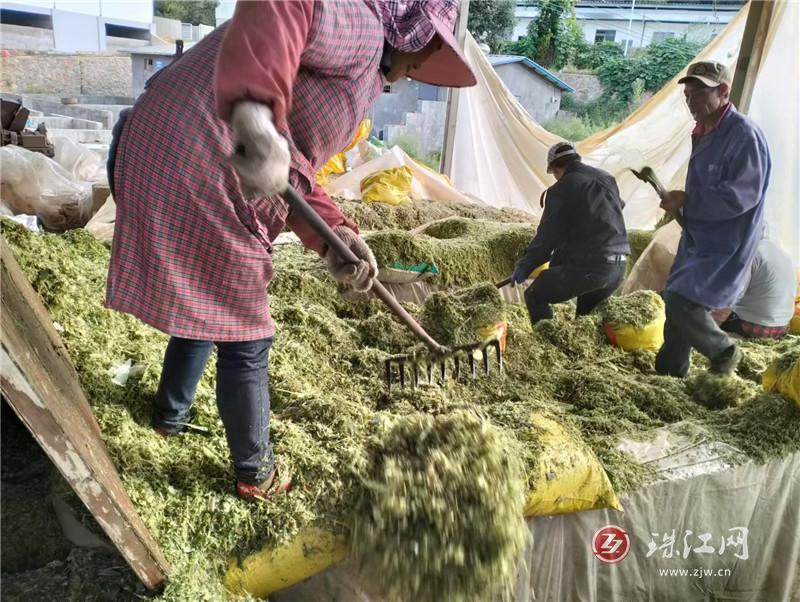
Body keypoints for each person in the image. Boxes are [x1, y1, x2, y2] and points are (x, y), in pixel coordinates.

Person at [105, 0, 476, 502]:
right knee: (246, 333)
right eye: (432, 41)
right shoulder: (362, 27)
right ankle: (255, 473)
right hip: (205, 151)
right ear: (412, 32)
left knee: (208, 300)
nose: (429, 57)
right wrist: (255, 113)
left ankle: (169, 417)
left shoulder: (365, 68)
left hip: (165, 139)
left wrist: (336, 238)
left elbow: (293, 169)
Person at [656, 61, 771, 378]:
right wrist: (683, 202)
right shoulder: (704, 133)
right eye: (688, 94)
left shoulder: (744, 136)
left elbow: (740, 196)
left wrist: (689, 200)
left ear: (723, 92)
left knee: (682, 300)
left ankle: (724, 350)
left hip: (725, 242)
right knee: (676, 306)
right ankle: (669, 377)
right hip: (699, 237)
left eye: (698, 93)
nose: (691, 100)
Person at [510, 142, 630, 325]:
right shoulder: (606, 178)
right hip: (618, 267)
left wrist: (525, 265)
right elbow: (616, 208)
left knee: (536, 294)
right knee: (585, 322)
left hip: (592, 267)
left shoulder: (563, 187)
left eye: (554, 174)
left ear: (556, 169)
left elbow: (547, 236)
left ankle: (547, 345)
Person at [712, 237, 795, 339]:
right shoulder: (781, 253)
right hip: (782, 327)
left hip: (756, 327)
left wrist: (707, 327)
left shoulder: (748, 254)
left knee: (703, 317)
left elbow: (728, 300)